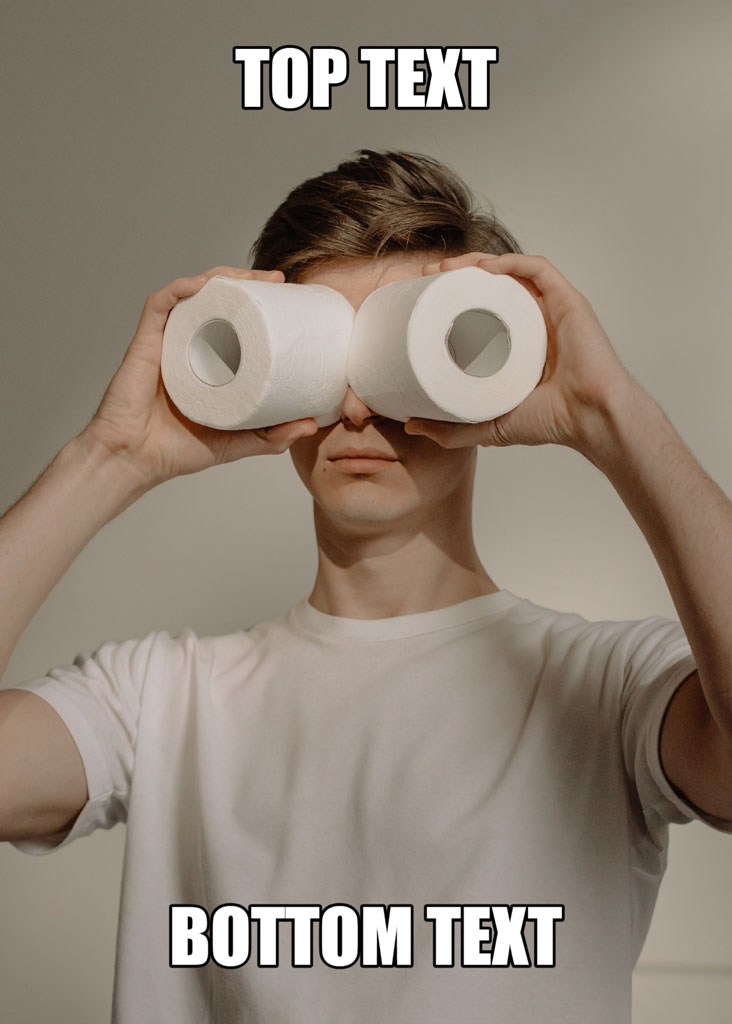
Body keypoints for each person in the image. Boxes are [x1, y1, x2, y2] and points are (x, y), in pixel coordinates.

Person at [0, 149, 730, 1023]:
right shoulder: (164, 701)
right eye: (325, 356)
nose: (357, 409)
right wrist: (108, 458)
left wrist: (614, 415)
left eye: (400, 353)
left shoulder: (607, 690)